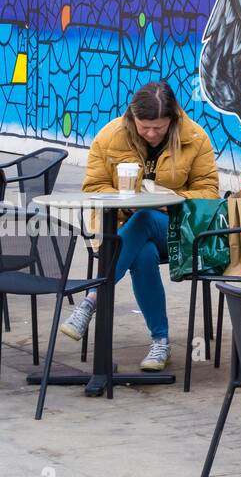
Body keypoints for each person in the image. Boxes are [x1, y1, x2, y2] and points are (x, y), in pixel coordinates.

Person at [60, 81, 220, 371]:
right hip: (121, 228)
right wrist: (124, 201)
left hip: (176, 229)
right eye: (144, 126)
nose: (150, 133)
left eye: (158, 127)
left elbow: (209, 193)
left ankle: (93, 297)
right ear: (132, 118)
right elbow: (93, 187)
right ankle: (160, 342)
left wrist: (167, 201)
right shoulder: (110, 137)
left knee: (145, 217)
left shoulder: (194, 138)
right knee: (142, 252)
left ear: (173, 120)